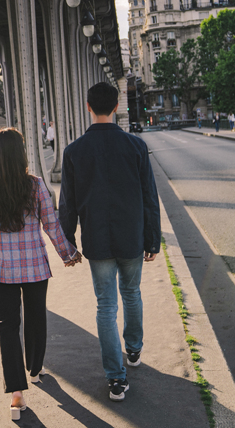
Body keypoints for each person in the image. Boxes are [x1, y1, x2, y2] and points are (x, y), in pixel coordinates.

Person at [59, 82, 161, 402]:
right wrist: (152, 239)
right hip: (131, 235)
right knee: (132, 293)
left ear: (88, 107)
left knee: (106, 305)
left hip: (97, 240)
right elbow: (149, 198)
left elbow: (68, 204)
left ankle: (116, 378)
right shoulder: (136, 146)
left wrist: (68, 245)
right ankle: (134, 350)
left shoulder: (74, 151)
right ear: (117, 107)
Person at [0, 127, 81, 420]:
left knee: (7, 325)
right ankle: (35, 368)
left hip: (0, 267)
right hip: (34, 266)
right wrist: (68, 254)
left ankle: (16, 395)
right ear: (22, 152)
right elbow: (52, 225)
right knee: (36, 316)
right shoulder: (34, 186)